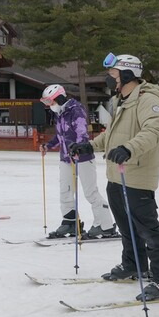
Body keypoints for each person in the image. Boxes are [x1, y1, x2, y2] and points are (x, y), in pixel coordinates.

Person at [70, 53, 159, 301]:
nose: (110, 80)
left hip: (137, 174)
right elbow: (111, 136)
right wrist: (89, 146)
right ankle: (134, 265)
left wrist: (128, 149)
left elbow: (154, 131)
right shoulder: (122, 101)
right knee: (126, 228)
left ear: (126, 75)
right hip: (116, 175)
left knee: (148, 229)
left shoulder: (148, 100)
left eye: (113, 75)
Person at [40, 84, 116, 239]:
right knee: (65, 191)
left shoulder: (76, 110)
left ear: (60, 98)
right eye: (47, 103)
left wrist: (78, 148)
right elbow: (60, 136)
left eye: (50, 102)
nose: (49, 106)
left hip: (82, 158)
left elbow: (82, 134)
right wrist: (48, 146)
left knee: (90, 192)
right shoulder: (59, 113)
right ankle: (70, 222)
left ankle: (105, 225)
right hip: (65, 158)